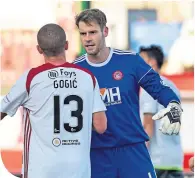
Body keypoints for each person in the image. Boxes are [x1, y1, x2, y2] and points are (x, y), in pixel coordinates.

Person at [74, 8, 183, 178]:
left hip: (133, 151)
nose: (87, 38)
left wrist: (173, 105)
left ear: (105, 31)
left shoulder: (129, 60)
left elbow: (159, 86)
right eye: (83, 33)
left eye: (93, 32)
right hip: (96, 155)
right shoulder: (75, 70)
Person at [0, 23, 107, 178]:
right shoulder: (87, 77)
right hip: (78, 170)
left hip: (41, 170)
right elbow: (101, 126)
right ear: (67, 45)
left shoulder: (31, 78)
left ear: (39, 49)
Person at [139, 45, 184, 178]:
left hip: (156, 161)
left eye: (141, 60)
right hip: (175, 160)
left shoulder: (150, 86)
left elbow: (148, 127)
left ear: (151, 63)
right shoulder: (172, 86)